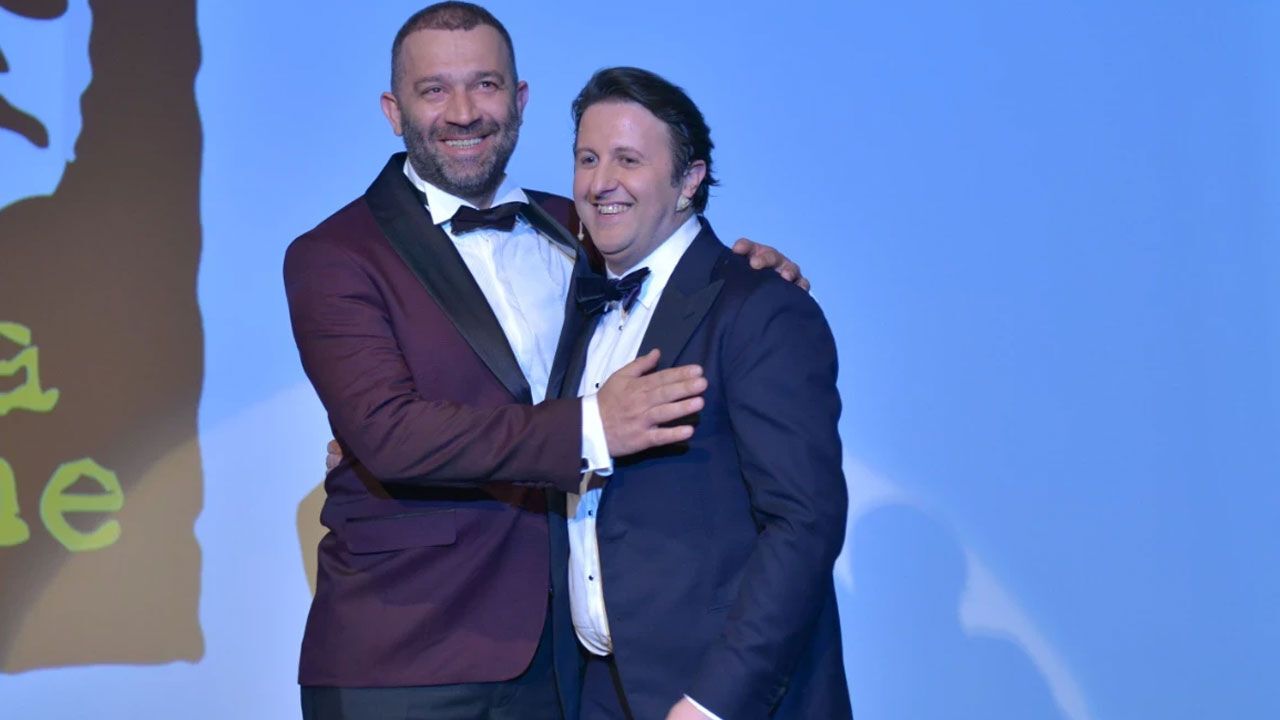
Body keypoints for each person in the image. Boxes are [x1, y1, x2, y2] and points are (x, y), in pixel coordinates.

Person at [284, 4, 804, 718]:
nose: (463, 112)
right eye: (434, 90)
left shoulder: (582, 225)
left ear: (520, 98)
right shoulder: (335, 254)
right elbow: (389, 434)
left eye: (486, 84)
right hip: (403, 653)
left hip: (561, 658)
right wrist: (593, 428)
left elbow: (681, 271)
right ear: (393, 111)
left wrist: (749, 271)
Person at [559, 67, 852, 720]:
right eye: (587, 158)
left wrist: (713, 702)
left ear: (690, 180)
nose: (601, 182)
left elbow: (804, 523)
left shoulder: (760, 307)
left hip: (719, 698)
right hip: (600, 690)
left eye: (628, 159)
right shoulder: (579, 305)